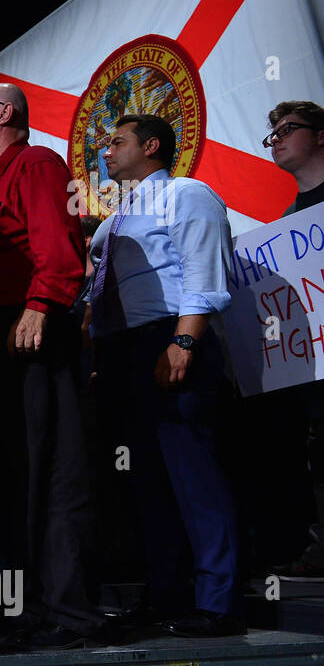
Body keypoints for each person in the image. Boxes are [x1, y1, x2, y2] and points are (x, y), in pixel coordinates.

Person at [0, 81, 104, 648]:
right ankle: (25, 607)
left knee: (52, 475)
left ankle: (68, 613)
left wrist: (39, 306)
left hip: (29, 335)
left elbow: (59, 246)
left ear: (3, 114)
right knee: (4, 480)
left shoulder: (35, 163)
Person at [89, 113, 241, 637]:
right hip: (122, 352)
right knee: (147, 483)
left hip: (169, 337)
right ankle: (166, 596)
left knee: (192, 474)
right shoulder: (111, 222)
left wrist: (184, 341)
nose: (105, 152)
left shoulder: (188, 194)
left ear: (152, 146)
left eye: (117, 142)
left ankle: (218, 602)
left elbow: (204, 271)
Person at [264, 100, 324, 580]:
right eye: (273, 134)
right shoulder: (287, 221)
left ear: (320, 135)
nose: (277, 139)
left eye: (288, 129)